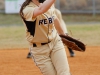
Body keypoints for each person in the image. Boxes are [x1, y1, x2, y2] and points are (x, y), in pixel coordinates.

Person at [20, 0, 71, 75]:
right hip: (40, 50)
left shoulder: (48, 4)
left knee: (64, 73)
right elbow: (41, 10)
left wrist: (63, 35)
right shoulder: (27, 10)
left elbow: (55, 18)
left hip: (55, 43)